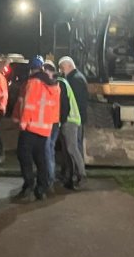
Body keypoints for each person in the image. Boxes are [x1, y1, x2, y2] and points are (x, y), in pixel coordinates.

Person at [13, 56, 60, 201]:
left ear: (32, 69)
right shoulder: (54, 85)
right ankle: (42, 188)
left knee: (23, 154)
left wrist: (23, 122)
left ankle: (29, 184)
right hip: (45, 128)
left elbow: (29, 104)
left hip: (30, 126)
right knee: (41, 158)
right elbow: (54, 109)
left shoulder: (33, 82)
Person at [56, 66, 87, 189]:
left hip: (70, 121)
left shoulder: (63, 83)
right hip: (71, 120)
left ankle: (81, 174)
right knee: (69, 150)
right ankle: (71, 176)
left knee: (72, 148)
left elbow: (65, 106)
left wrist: (61, 121)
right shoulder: (66, 81)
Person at [58, 56, 89, 160]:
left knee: (74, 147)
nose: (61, 71)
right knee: (74, 146)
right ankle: (75, 171)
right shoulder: (77, 78)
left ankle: (78, 172)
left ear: (69, 66)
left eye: (62, 68)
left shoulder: (75, 80)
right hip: (77, 118)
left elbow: (75, 101)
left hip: (74, 119)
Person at [41, 61, 62, 190]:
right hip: (55, 121)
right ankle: (51, 177)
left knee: (47, 151)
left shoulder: (50, 85)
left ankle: (49, 180)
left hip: (49, 121)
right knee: (51, 150)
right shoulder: (58, 84)